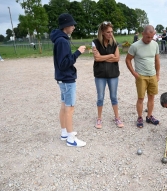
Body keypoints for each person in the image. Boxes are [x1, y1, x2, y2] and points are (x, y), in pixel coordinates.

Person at [50, 13, 86, 147]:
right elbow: (64, 63)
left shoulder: (59, 39)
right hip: (67, 79)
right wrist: (77, 52)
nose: (74, 27)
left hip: (62, 79)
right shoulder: (63, 41)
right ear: (66, 26)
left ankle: (64, 132)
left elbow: (61, 62)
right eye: (72, 25)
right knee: (69, 108)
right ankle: (71, 139)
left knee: (64, 105)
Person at [125, 25, 160, 128]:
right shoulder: (135, 46)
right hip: (141, 76)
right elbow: (128, 60)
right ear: (142, 34)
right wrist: (134, 73)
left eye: (151, 37)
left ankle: (149, 116)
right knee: (141, 98)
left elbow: (157, 60)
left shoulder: (155, 45)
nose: (149, 39)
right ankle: (140, 117)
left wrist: (158, 74)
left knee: (151, 98)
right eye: (147, 37)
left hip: (152, 75)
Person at [92, 21, 124, 129]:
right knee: (100, 97)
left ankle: (117, 117)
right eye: (108, 32)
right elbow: (97, 58)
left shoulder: (114, 43)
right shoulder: (95, 43)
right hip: (100, 74)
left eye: (111, 32)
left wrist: (103, 57)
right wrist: (110, 55)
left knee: (114, 97)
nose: (110, 34)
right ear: (102, 32)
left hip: (113, 74)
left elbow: (117, 58)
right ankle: (99, 118)